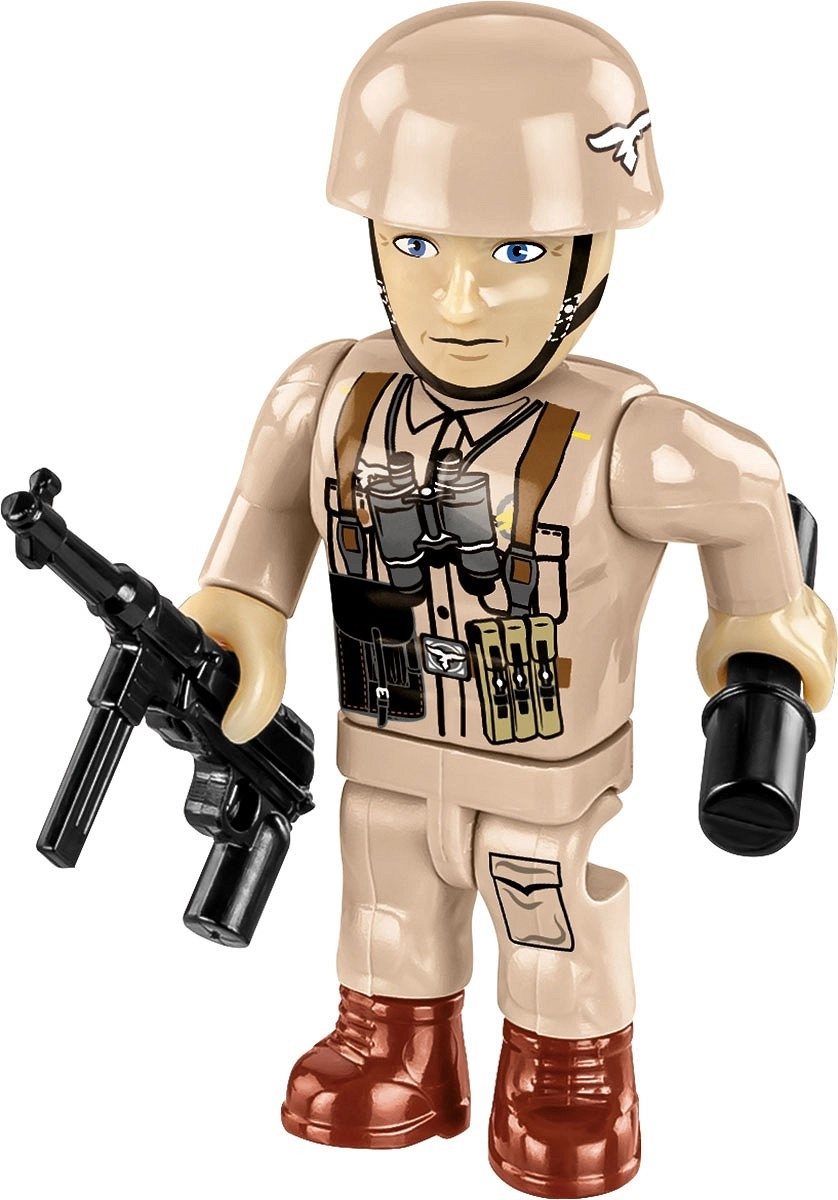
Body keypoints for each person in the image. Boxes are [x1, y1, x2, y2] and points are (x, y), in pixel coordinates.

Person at [180, 5, 837, 1197]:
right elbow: (264, 523)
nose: (460, 300)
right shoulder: (323, 397)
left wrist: (759, 623)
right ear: (371, 237)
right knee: (384, 898)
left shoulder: (627, 439)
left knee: (547, 918)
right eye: (417, 245)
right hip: (386, 740)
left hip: (537, 767)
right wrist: (239, 615)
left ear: (594, 255)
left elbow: (749, 489)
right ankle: (396, 1047)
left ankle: (568, 1071)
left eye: (517, 254)